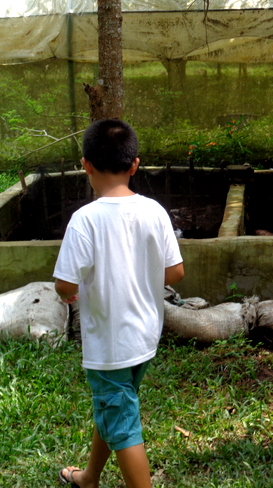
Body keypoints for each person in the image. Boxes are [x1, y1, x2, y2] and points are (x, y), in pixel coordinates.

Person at [54, 119, 185, 488]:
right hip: (144, 337)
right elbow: (175, 272)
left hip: (110, 345)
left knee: (123, 422)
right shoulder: (154, 211)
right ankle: (89, 476)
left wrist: (67, 294)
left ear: (86, 165)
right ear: (135, 165)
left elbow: (64, 283)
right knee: (116, 407)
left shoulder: (85, 220)